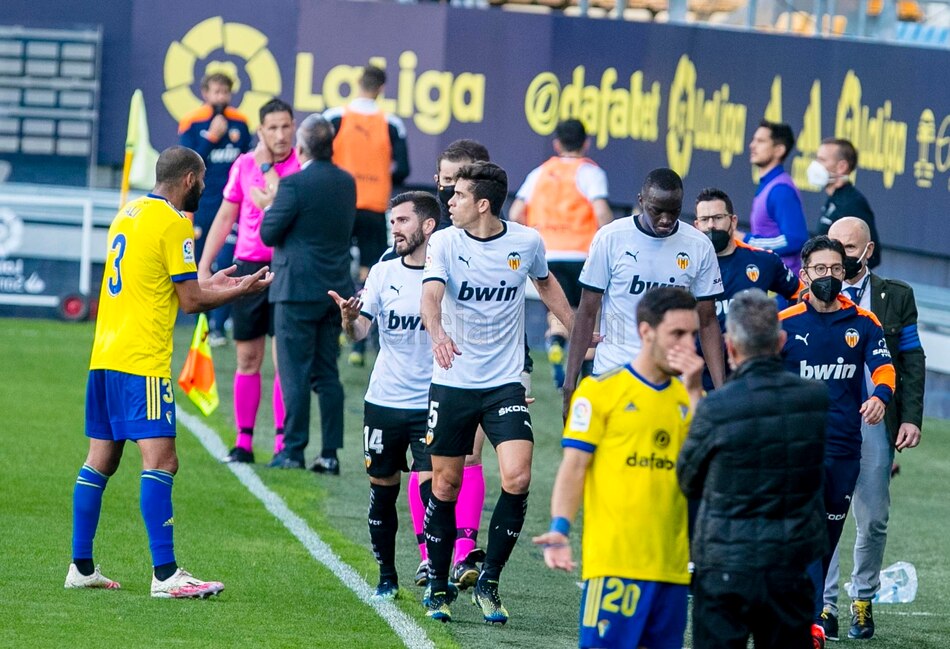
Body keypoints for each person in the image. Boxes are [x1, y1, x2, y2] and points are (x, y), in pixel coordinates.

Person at [64, 146, 273, 597]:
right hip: (143, 362)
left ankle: (80, 566)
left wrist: (211, 284)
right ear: (189, 180)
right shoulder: (176, 222)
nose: (203, 188)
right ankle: (166, 575)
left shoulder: (129, 212)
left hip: (105, 356)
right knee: (163, 461)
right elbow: (191, 302)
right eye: (201, 181)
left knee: (101, 459)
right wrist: (238, 292)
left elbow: (168, 284)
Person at [420, 161, 574, 623]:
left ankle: (488, 581)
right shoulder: (445, 241)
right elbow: (430, 296)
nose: (449, 202)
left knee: (518, 478)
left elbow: (547, 286)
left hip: (505, 380)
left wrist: (581, 333)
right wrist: (437, 334)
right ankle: (439, 583)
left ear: (482, 204)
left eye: (458, 196)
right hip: (453, 382)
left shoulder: (526, 242)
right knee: (446, 484)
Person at [534, 287, 704, 649]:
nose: (688, 345)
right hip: (615, 568)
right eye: (677, 334)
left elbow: (702, 472)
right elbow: (575, 467)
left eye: (693, 335)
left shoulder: (689, 398)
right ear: (646, 332)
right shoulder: (600, 392)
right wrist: (559, 529)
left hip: (673, 571)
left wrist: (694, 396)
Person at [678, 288, 829, 649]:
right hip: (789, 566)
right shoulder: (814, 398)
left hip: (725, 566)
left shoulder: (717, 407)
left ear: (729, 346)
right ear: (780, 342)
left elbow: (687, 478)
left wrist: (693, 395)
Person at [779, 235, 896, 624]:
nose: (827, 275)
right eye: (819, 269)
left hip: (845, 448)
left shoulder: (864, 323)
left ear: (843, 273)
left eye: (834, 269)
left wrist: (880, 395)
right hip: (796, 449)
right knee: (801, 532)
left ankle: (812, 612)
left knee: (828, 537)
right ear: (804, 273)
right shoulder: (783, 325)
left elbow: (884, 367)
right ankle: (808, 618)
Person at [327, 191, 438, 599]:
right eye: (392, 222)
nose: (395, 229)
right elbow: (360, 332)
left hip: (432, 401)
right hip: (385, 401)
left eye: (404, 221)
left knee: (436, 492)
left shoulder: (446, 273)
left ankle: (436, 578)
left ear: (427, 226)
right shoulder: (383, 271)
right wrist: (348, 319)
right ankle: (387, 576)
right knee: (383, 490)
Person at [821, 217, 925, 640]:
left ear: (868, 250)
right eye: (835, 245)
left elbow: (912, 360)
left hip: (875, 421)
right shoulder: (812, 293)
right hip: (826, 421)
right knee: (823, 514)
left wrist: (912, 417)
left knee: (875, 517)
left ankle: (862, 598)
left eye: (849, 247)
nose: (841, 255)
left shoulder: (897, 297)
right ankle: (824, 605)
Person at [563, 168, 725, 419]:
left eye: (674, 210)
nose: (665, 219)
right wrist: (570, 383)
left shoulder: (699, 245)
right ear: (641, 201)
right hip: (613, 374)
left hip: (672, 381)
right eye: (657, 209)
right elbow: (586, 313)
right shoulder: (611, 238)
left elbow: (707, 321)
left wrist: (721, 390)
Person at [198, 98, 300, 466]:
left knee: (283, 360)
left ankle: (281, 444)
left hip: (288, 269)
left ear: (294, 127)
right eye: (272, 127)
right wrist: (205, 266)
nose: (280, 134)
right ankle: (243, 442)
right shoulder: (243, 165)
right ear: (260, 131)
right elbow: (226, 217)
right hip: (247, 270)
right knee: (247, 357)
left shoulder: (302, 167)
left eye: (285, 126)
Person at [259, 114, 355, 472]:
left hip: (295, 290)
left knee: (294, 372)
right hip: (334, 290)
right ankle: (330, 454)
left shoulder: (294, 184)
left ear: (300, 148)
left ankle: (293, 450)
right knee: (327, 373)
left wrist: (269, 203)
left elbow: (269, 233)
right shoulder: (347, 183)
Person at [510, 119, 613, 388]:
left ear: (556, 143)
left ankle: (556, 341)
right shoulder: (590, 173)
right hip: (582, 255)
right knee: (588, 317)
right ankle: (587, 380)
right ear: (586, 142)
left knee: (558, 312)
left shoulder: (540, 172)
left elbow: (515, 212)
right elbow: (601, 211)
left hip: (549, 254)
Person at [324, 64, 410, 367]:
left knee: (339, 263)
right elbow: (404, 169)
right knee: (369, 271)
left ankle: (336, 329)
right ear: (382, 88)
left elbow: (319, 156)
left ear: (357, 83)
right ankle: (360, 345)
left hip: (340, 204)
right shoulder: (392, 123)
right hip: (374, 205)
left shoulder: (334, 117)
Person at [694, 187, 801, 389]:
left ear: (733, 221)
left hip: (755, 374)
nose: (711, 226)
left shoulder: (764, 260)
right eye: (705, 220)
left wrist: (782, 330)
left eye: (718, 218)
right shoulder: (687, 265)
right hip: (700, 378)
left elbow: (800, 294)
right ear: (696, 224)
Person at [177, 72, 252, 345]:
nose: (220, 97)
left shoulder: (241, 122)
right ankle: (203, 324)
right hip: (201, 203)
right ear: (205, 93)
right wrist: (211, 137)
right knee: (199, 263)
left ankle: (220, 326)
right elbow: (186, 161)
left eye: (225, 92)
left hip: (232, 204)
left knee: (229, 261)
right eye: (216, 91)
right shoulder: (193, 121)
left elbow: (247, 160)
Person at [746, 120, 809, 275]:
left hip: (783, 288)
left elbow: (796, 239)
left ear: (779, 150)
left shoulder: (781, 189)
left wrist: (747, 241)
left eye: (760, 141)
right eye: (754, 140)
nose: (752, 145)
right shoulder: (769, 184)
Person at [811, 138, 882, 269]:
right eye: (817, 159)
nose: (815, 165)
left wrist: (843, 274)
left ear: (842, 167)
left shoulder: (852, 203)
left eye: (822, 160)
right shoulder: (833, 198)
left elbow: (873, 255)